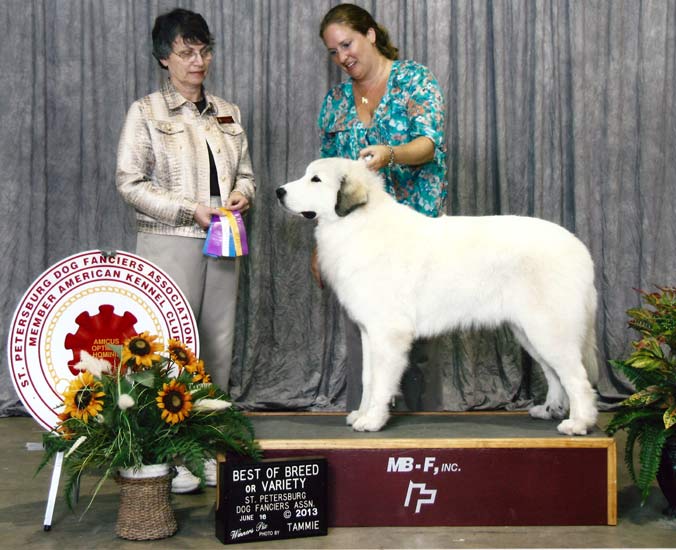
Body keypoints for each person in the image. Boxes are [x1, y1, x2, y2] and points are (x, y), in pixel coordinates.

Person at [116, 8, 255, 492]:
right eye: (186, 52)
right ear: (163, 58)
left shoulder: (228, 112)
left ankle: (205, 449)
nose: (198, 61)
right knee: (168, 353)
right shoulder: (147, 111)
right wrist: (187, 209)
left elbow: (246, 175)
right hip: (168, 241)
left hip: (223, 240)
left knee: (217, 347)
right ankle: (164, 454)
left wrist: (242, 195)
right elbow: (129, 183)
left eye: (204, 50)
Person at [316, 3, 448, 412]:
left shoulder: (414, 80)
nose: (343, 57)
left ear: (370, 34)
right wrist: (320, 249)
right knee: (365, 338)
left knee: (419, 342)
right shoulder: (336, 100)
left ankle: (427, 436)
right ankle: (370, 424)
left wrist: (391, 153)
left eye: (347, 44)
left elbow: (428, 146)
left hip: (416, 236)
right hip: (358, 246)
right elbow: (327, 185)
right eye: (334, 52)